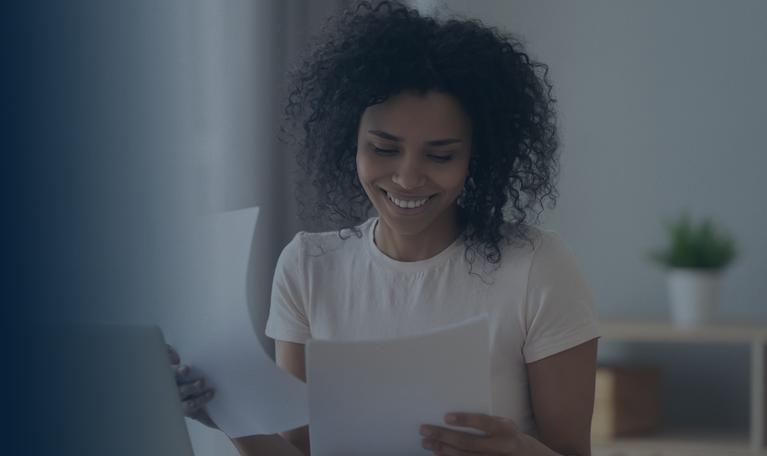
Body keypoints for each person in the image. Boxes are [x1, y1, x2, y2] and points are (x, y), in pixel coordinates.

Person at [173, 1, 600, 455]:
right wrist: (226, 415)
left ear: (478, 157)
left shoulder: (535, 268)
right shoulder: (307, 266)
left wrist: (518, 450)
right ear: (349, 142)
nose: (408, 178)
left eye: (440, 156)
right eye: (383, 149)